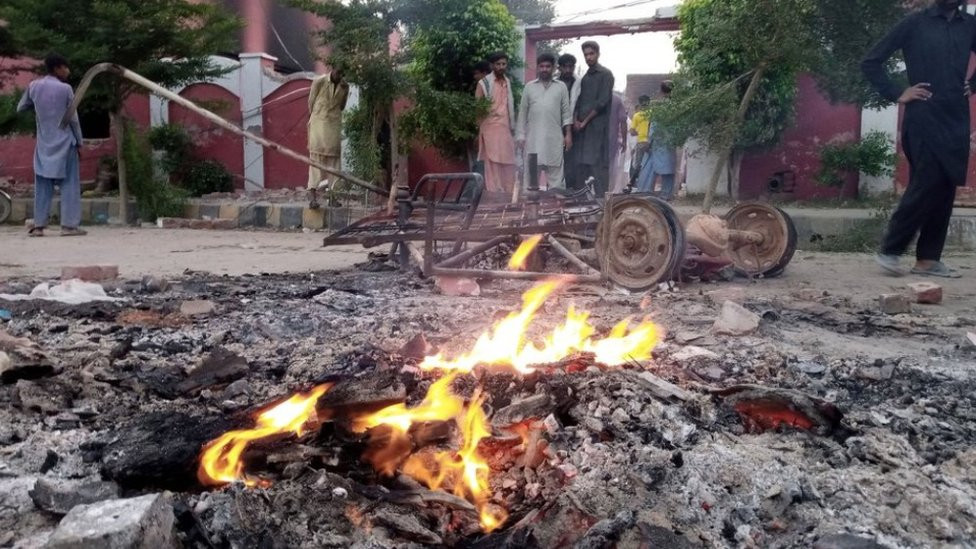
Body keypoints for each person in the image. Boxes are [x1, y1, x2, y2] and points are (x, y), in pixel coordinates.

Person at [862, 0, 973, 278]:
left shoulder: (971, 25)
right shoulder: (915, 23)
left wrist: (973, 85)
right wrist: (897, 93)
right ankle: (891, 249)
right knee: (927, 181)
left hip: (956, 117)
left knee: (946, 184)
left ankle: (928, 260)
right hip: (923, 115)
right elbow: (871, 61)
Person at [17, 54, 85, 237]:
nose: (68, 71)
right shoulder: (66, 89)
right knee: (70, 184)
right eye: (65, 67)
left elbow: (21, 107)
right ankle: (69, 227)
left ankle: (39, 226)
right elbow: (73, 119)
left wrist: (40, 111)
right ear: (57, 68)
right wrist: (79, 142)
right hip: (65, 143)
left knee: (43, 185)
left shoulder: (33, 86)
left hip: (44, 143)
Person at [516, 53, 572, 190]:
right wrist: (520, 136)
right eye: (541, 66)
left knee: (556, 185)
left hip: (554, 141)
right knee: (532, 186)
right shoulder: (529, 87)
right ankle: (531, 210)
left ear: (553, 68)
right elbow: (522, 113)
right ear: (537, 68)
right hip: (533, 142)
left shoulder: (561, 87)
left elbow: (566, 113)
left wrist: (568, 135)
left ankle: (555, 210)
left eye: (548, 66)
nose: (544, 69)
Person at [573, 41, 615, 197]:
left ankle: (603, 210)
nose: (588, 57)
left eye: (591, 54)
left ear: (598, 54)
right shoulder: (585, 78)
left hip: (597, 131)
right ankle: (581, 210)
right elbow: (579, 100)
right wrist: (576, 120)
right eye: (586, 55)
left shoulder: (606, 74)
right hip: (582, 133)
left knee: (598, 170)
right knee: (581, 170)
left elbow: (602, 102)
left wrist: (584, 122)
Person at [476, 51, 517, 198]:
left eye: (504, 64)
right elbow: (478, 110)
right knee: (492, 163)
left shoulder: (507, 82)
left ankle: (509, 194)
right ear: (492, 65)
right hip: (489, 129)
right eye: (498, 64)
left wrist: (513, 127)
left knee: (508, 162)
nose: (501, 67)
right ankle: (495, 195)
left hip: (505, 128)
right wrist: (480, 131)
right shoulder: (484, 83)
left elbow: (509, 106)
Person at [307, 69, 349, 209]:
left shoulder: (345, 86)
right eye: (338, 71)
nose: (339, 75)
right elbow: (311, 103)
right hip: (318, 124)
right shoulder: (319, 82)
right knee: (316, 162)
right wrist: (318, 116)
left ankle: (332, 197)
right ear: (332, 68)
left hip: (333, 126)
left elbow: (342, 106)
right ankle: (312, 197)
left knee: (334, 164)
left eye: (342, 73)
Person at [636, 80, 678, 200]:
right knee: (668, 168)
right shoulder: (677, 107)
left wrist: (649, 141)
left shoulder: (659, 107)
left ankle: (645, 193)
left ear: (661, 91)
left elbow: (654, 125)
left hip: (658, 142)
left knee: (649, 166)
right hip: (670, 143)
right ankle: (666, 194)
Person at [557, 54, 582, 190]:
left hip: (574, 128)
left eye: (570, 66)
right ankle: (555, 190)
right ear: (559, 68)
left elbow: (580, 103)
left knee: (571, 161)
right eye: (564, 66)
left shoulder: (579, 83)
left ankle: (571, 191)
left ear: (573, 67)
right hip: (556, 126)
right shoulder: (554, 83)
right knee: (555, 160)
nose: (567, 69)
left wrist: (577, 119)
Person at [469, 60, 493, 176]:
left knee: (481, 160)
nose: (475, 77)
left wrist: (479, 132)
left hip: (486, 129)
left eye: (476, 73)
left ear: (484, 73)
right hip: (496, 128)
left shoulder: (482, 84)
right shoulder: (498, 83)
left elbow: (479, 109)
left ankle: (479, 188)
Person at [608, 91, 629, 194]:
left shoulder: (593, 97)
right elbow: (623, 122)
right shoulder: (616, 100)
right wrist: (624, 141)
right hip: (611, 141)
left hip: (594, 143)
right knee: (611, 168)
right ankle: (607, 193)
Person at [629, 95, 652, 186]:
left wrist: (639, 132)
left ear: (640, 103)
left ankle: (633, 184)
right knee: (649, 165)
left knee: (638, 165)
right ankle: (648, 185)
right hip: (651, 142)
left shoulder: (637, 115)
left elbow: (631, 132)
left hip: (641, 142)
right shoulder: (653, 114)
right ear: (649, 102)